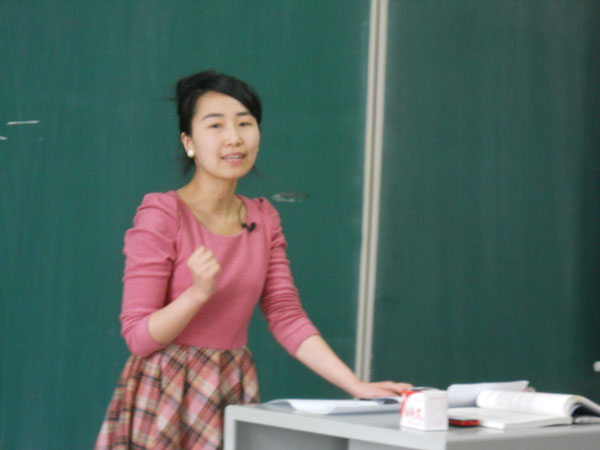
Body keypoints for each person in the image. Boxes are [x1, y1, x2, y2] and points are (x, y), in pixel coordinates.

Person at [95, 70, 411, 449]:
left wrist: (356, 386)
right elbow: (138, 337)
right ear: (189, 142)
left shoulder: (264, 218)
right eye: (215, 125)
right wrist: (196, 294)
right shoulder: (162, 215)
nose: (234, 137)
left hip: (231, 385)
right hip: (166, 393)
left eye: (245, 123)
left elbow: (285, 315)